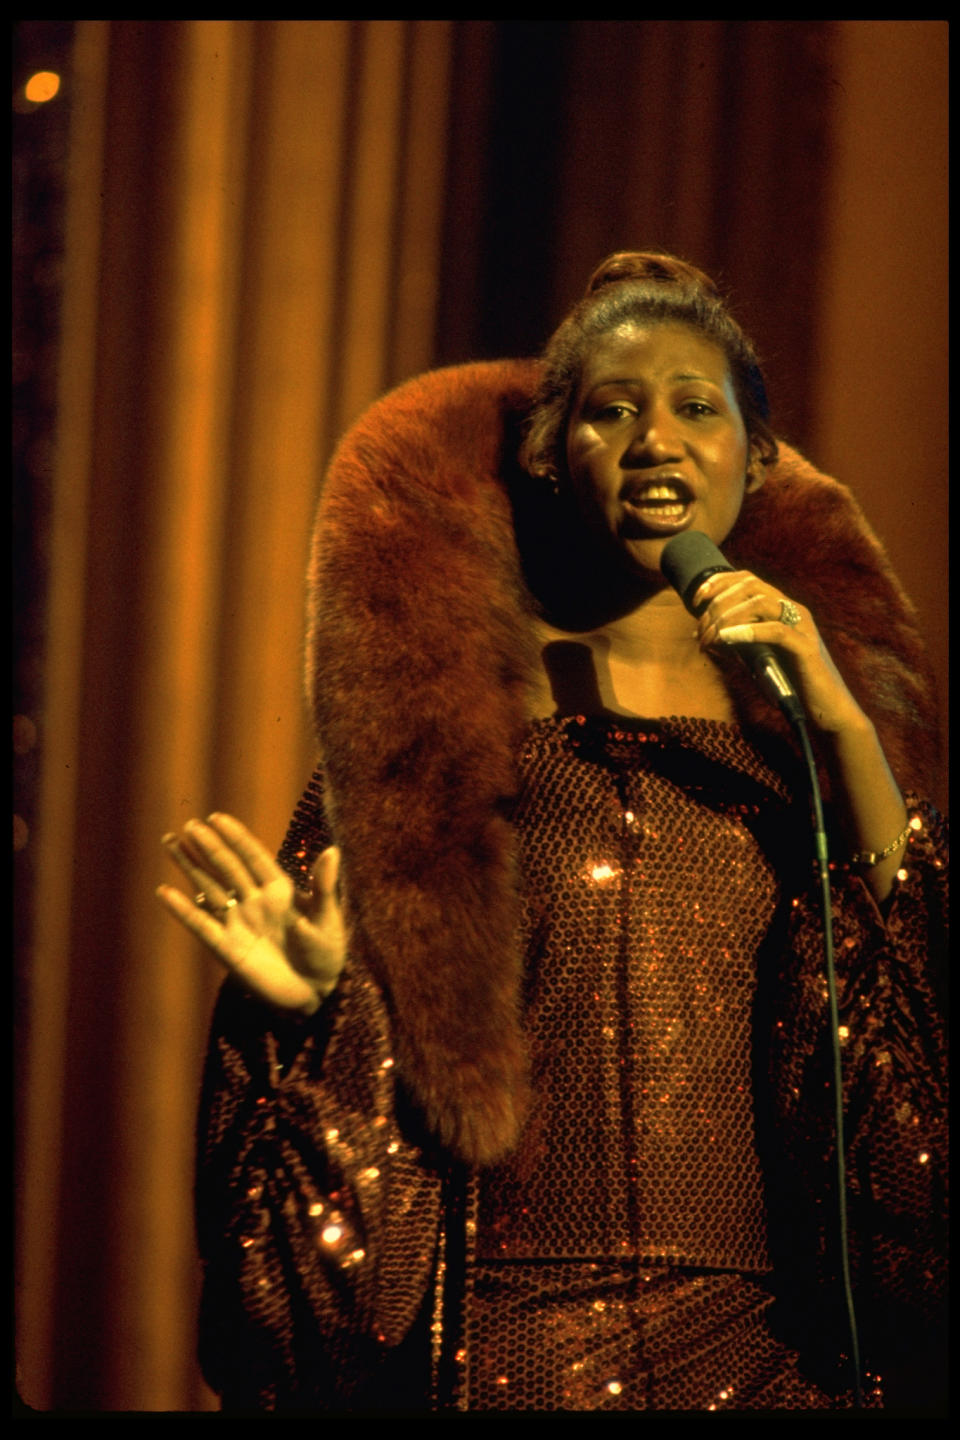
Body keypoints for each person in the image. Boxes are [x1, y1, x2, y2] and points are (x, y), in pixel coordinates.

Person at [158, 251, 947, 1414]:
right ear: (549, 452)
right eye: (612, 410)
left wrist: (837, 717)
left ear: (758, 457)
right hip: (497, 1370)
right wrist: (316, 1005)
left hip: (769, 1372)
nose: (655, 440)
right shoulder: (432, 746)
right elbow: (303, 1285)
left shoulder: (807, 746)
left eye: (695, 408)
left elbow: (909, 1115)